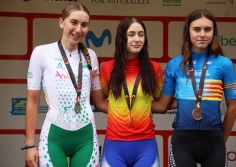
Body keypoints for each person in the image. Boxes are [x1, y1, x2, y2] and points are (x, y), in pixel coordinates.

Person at [24, 3, 107, 167]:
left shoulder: (91, 55)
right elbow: (32, 101)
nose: (78, 29)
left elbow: (99, 101)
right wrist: (29, 144)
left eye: (84, 25)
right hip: (54, 138)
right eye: (73, 22)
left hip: (86, 139)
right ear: (61, 22)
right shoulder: (41, 53)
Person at [152, 9, 236, 167]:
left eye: (207, 29)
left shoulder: (225, 64)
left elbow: (232, 108)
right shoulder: (175, 64)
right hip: (182, 142)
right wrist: (133, 103)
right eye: (197, 29)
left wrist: (221, 140)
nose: (202, 34)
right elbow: (163, 105)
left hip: (214, 141)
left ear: (214, 33)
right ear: (188, 32)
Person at [99, 17, 164, 167]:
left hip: (146, 144)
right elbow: (100, 100)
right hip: (114, 144)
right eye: (131, 34)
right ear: (122, 38)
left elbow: (159, 101)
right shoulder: (108, 68)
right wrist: (119, 110)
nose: (137, 39)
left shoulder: (154, 68)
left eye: (141, 34)